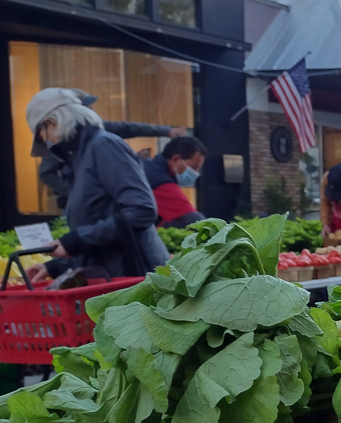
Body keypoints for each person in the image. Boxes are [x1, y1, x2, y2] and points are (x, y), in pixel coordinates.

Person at [23, 88, 168, 279]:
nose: (48, 143)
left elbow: (142, 210)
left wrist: (76, 240)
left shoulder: (103, 146)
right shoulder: (81, 158)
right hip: (118, 278)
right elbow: (97, 228)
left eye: (44, 136)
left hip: (137, 279)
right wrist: (56, 267)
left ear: (52, 123)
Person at [34, 88, 187, 208]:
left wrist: (166, 131)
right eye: (86, 107)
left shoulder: (99, 135)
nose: (91, 110)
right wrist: (75, 192)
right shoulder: (60, 140)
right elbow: (46, 173)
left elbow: (129, 128)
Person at [144, 135, 207, 228]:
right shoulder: (161, 183)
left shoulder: (147, 169)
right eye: (194, 167)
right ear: (176, 160)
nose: (196, 173)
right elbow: (195, 220)